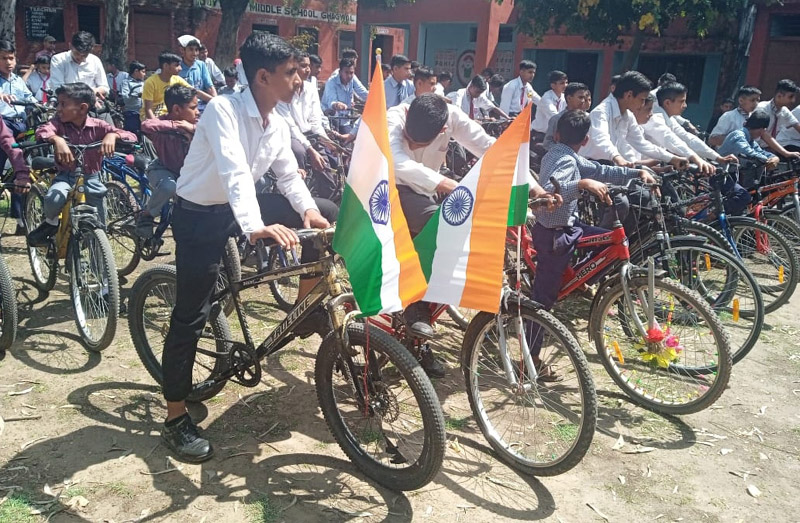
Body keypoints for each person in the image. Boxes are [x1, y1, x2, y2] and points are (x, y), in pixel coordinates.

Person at [159, 33, 337, 462]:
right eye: (291, 73)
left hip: (239, 208)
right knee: (191, 313)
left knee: (330, 207)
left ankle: (307, 305)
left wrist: (309, 212)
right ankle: (175, 417)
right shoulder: (224, 109)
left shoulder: (277, 121)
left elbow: (289, 176)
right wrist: (256, 227)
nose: (300, 80)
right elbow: (235, 171)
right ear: (263, 76)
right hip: (200, 214)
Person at [388, 93, 551, 376]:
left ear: (442, 130)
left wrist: (535, 188)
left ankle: (417, 336)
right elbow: (398, 161)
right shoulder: (394, 118)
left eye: (418, 142)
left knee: (451, 245)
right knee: (440, 230)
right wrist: (448, 184)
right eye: (409, 138)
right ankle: (416, 307)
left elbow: (493, 149)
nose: (412, 144)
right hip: (393, 190)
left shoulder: (452, 118)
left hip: (430, 191)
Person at [529, 110, 656, 377]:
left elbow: (600, 169)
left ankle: (577, 279)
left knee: (608, 242)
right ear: (586, 140)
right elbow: (554, 188)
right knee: (542, 302)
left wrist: (635, 172)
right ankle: (528, 361)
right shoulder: (560, 158)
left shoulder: (567, 154)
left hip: (570, 227)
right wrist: (583, 183)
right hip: (554, 234)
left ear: (556, 134)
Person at [27, 83, 137, 245]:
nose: (58, 108)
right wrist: (56, 139)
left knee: (99, 218)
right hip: (66, 176)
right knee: (53, 198)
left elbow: (130, 136)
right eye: (58, 103)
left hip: (91, 177)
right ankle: (51, 223)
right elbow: (42, 130)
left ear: (83, 108)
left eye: (63, 104)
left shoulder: (99, 125)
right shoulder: (58, 124)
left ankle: (98, 247)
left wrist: (113, 136)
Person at [580, 71, 687, 168]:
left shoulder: (627, 115)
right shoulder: (601, 112)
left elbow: (641, 143)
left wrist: (672, 158)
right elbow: (602, 139)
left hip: (610, 167)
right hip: (590, 167)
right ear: (629, 95)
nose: (643, 104)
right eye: (642, 100)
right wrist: (617, 158)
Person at [135, 85, 199, 238]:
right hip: (163, 168)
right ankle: (147, 216)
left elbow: (211, 130)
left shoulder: (197, 123)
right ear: (176, 109)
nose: (197, 111)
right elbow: (146, 125)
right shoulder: (162, 123)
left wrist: (192, 128)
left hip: (189, 173)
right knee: (169, 186)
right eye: (193, 107)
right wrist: (177, 126)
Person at [654, 82, 739, 168]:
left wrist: (718, 158)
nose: (685, 106)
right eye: (682, 101)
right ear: (667, 103)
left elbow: (688, 138)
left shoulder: (670, 120)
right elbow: (673, 141)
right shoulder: (656, 120)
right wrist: (697, 159)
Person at [0, 39, 36, 234]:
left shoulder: (17, 80)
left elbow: (29, 97)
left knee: (22, 171)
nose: (8, 62)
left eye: (11, 58)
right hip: (2, 125)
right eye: (4, 58)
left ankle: (21, 220)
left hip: (21, 126)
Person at [714, 110, 777, 214]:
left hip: (732, 176)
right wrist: (767, 160)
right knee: (743, 196)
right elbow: (748, 152)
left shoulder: (750, 140)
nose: (763, 133)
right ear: (761, 129)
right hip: (721, 176)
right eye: (763, 130)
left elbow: (761, 152)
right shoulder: (739, 135)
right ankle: (714, 217)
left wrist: (774, 158)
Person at [48, 31, 109, 99]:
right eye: (77, 53)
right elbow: (58, 89)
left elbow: (104, 87)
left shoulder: (95, 60)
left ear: (91, 50)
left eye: (84, 55)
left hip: (92, 103)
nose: (80, 57)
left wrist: (93, 93)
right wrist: (86, 94)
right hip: (67, 103)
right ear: (70, 46)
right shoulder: (58, 60)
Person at [755, 79, 800, 159]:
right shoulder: (762, 109)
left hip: (770, 149)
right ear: (779, 96)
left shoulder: (784, 111)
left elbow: (797, 126)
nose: (793, 101)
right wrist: (786, 153)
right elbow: (764, 134)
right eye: (790, 97)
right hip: (755, 148)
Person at [141, 51, 191, 121]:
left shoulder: (177, 79)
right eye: (176, 65)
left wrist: (211, 99)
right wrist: (156, 124)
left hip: (169, 114)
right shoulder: (150, 82)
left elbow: (194, 91)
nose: (180, 68)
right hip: (153, 115)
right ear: (166, 66)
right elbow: (148, 109)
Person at [320, 57, 364, 134]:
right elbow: (332, 102)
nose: (349, 75)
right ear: (340, 72)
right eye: (346, 72)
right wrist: (337, 105)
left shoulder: (353, 79)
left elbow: (363, 93)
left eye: (351, 73)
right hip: (329, 117)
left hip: (345, 118)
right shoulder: (331, 82)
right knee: (333, 141)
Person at [543, 82, 590, 151]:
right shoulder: (557, 119)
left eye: (585, 98)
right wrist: (564, 152)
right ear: (569, 98)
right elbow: (548, 143)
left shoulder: (589, 118)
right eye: (580, 97)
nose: (583, 101)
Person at [176, 35, 216, 112]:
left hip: (202, 104)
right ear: (182, 50)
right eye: (191, 50)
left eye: (196, 50)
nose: (194, 53)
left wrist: (216, 101)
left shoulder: (201, 65)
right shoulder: (177, 68)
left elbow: (210, 87)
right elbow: (194, 92)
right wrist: (213, 100)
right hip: (184, 107)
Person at [532, 70, 569, 139]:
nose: (565, 85)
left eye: (566, 82)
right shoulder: (546, 98)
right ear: (553, 85)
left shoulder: (564, 97)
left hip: (555, 135)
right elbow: (554, 117)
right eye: (562, 83)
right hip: (540, 135)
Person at [120, 61, 146, 132]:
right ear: (136, 71)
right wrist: (137, 95)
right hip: (132, 113)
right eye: (143, 72)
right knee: (133, 132)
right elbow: (125, 98)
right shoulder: (126, 83)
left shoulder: (144, 83)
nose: (144, 74)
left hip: (144, 113)